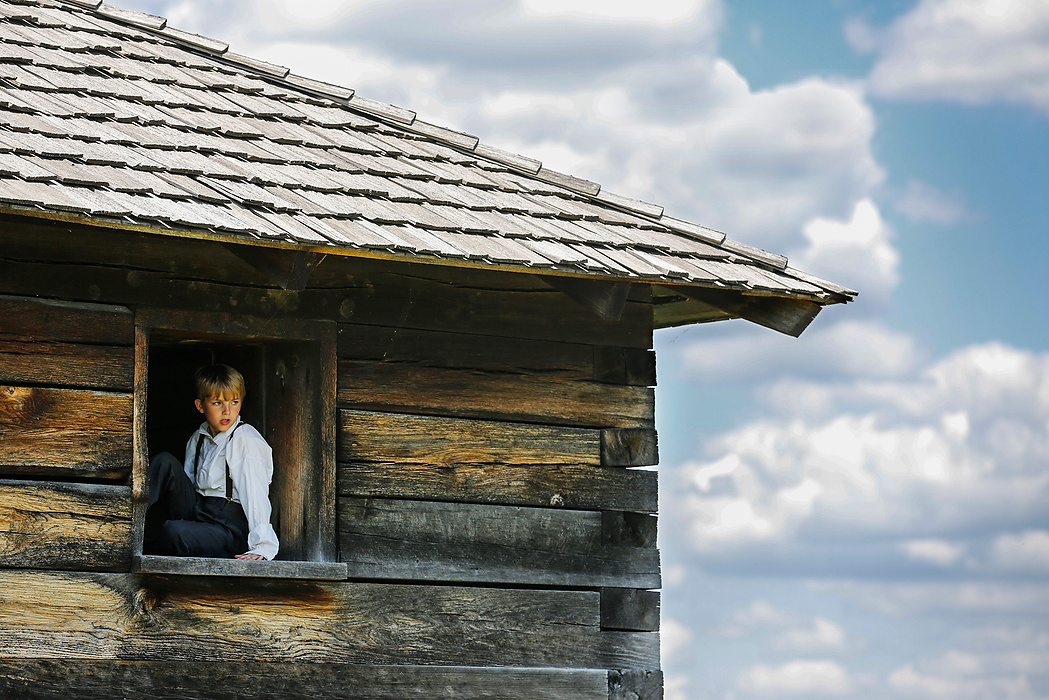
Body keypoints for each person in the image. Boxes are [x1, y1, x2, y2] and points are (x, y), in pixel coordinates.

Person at [144, 364, 279, 561]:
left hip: (228, 529)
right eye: (217, 403)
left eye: (234, 402)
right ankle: (124, 521)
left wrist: (262, 546)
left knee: (173, 531)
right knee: (164, 462)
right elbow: (186, 486)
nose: (227, 411)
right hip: (199, 513)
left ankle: (160, 539)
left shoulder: (245, 439)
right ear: (200, 406)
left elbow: (256, 494)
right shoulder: (197, 438)